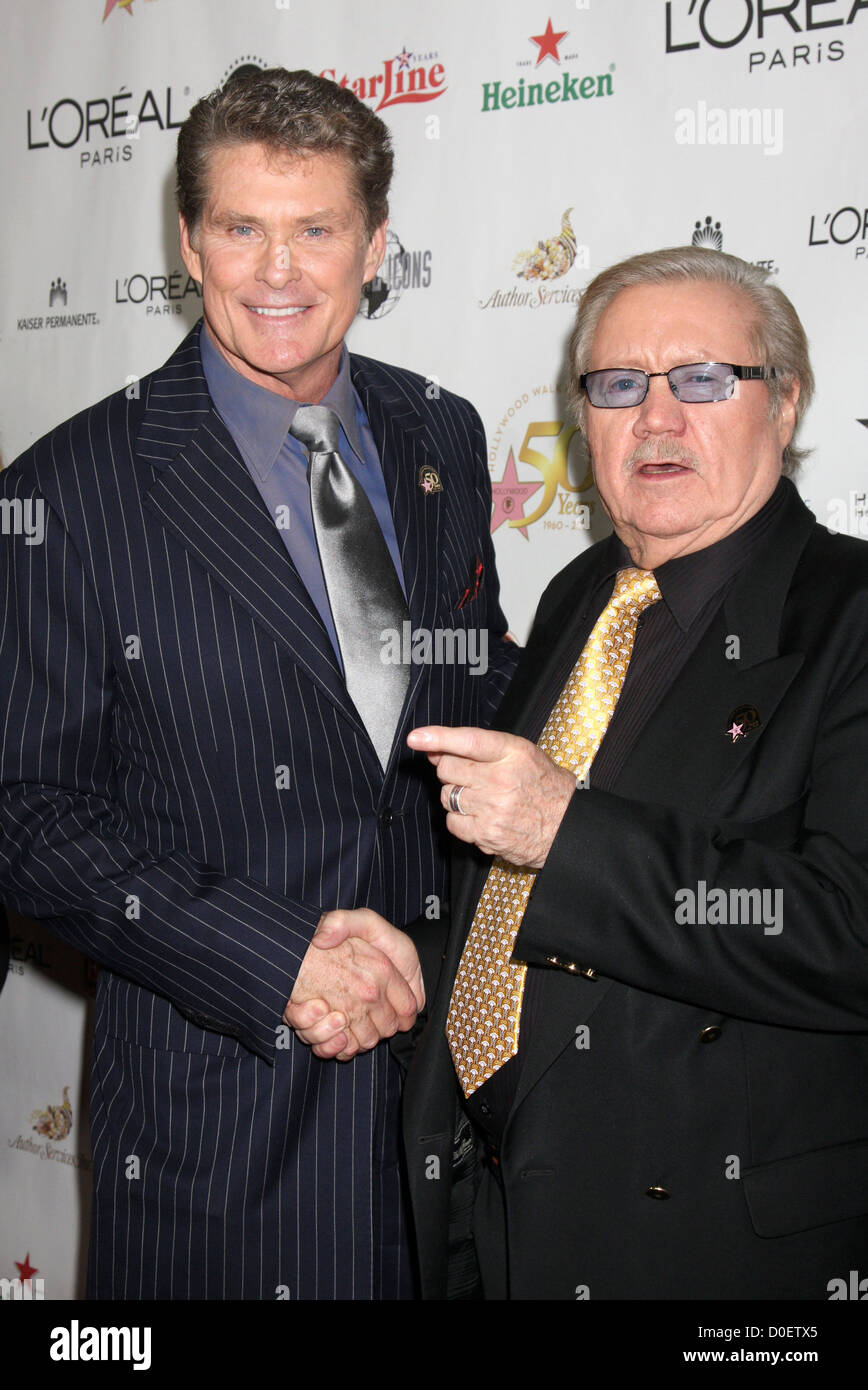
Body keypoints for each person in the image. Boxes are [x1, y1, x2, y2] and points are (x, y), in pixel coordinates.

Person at [0, 68, 516, 1300]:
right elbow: (24, 812)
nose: (277, 270)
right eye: (240, 226)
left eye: (316, 229)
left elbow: (468, 695)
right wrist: (273, 955)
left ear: (374, 243)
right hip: (216, 1130)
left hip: (451, 1116)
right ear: (188, 242)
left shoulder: (440, 431)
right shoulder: (69, 489)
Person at [309, 246, 868, 1299]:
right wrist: (430, 955)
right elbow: (543, 898)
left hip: (711, 1252)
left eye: (702, 378)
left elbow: (848, 926)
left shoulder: (847, 614)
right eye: (618, 385)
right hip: (498, 1214)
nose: (656, 418)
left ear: (783, 404)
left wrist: (570, 831)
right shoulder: (581, 594)